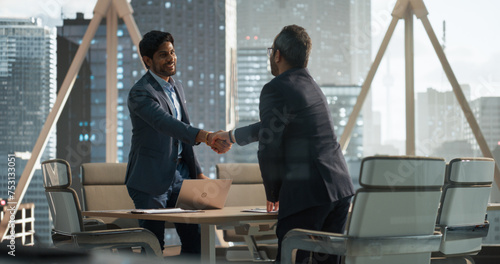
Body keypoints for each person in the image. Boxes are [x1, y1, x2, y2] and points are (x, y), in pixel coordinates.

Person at [213, 25, 355, 264]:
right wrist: (232, 136)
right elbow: (273, 126)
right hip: (339, 190)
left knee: (291, 258)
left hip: (308, 193)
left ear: (277, 54)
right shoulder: (311, 86)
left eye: (271, 51)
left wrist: (273, 192)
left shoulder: (276, 88)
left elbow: (269, 145)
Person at [125, 30, 230, 254]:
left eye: (172, 52)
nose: (171, 58)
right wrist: (207, 136)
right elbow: (167, 124)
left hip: (182, 176)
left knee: (196, 242)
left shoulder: (176, 86)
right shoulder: (140, 93)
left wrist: (198, 173)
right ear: (147, 60)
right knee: (153, 246)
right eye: (163, 55)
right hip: (150, 181)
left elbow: (183, 130)